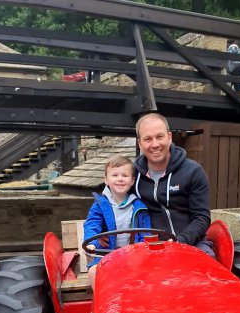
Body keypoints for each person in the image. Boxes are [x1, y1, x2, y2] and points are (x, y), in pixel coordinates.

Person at [134, 112, 214, 256]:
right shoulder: (132, 175)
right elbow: (109, 202)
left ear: (169, 137)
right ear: (140, 143)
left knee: (207, 268)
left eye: (159, 136)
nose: (155, 144)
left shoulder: (193, 171)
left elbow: (201, 218)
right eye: (147, 139)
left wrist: (179, 242)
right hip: (148, 247)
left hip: (190, 243)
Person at [83, 154, 151, 289]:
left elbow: (145, 233)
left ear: (132, 181)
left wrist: (144, 251)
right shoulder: (100, 204)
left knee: (146, 274)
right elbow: (92, 224)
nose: (120, 179)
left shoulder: (139, 207)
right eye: (115, 175)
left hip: (133, 257)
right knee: (93, 272)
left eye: (124, 176)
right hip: (106, 254)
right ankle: (102, 307)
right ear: (106, 179)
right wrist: (92, 242)